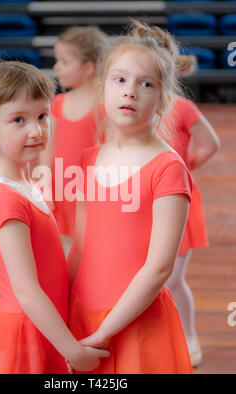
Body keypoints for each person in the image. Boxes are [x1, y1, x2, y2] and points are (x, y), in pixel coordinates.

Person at [0, 61, 109, 374]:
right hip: (24, 337)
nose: (36, 130)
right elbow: (27, 291)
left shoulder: (25, 183)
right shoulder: (5, 200)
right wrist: (75, 352)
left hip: (46, 329)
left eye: (43, 116)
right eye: (18, 119)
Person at [67, 23, 194, 374]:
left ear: (163, 100)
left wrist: (105, 333)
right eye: (120, 80)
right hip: (83, 314)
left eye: (146, 83)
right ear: (102, 88)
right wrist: (62, 311)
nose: (130, 92)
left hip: (136, 324)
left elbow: (158, 269)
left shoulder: (168, 169)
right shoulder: (89, 159)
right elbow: (80, 246)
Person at [132, 21, 221, 367]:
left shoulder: (181, 108)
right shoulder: (133, 104)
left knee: (171, 277)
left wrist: (186, 167)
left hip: (178, 200)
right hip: (142, 202)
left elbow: (211, 143)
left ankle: (188, 335)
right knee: (148, 272)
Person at [41, 26, 108, 257]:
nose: (56, 67)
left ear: (88, 67)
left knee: (96, 252)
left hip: (94, 194)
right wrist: (45, 186)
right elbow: (46, 151)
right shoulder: (57, 103)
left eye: (64, 61)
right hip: (63, 194)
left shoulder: (106, 106)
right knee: (67, 254)